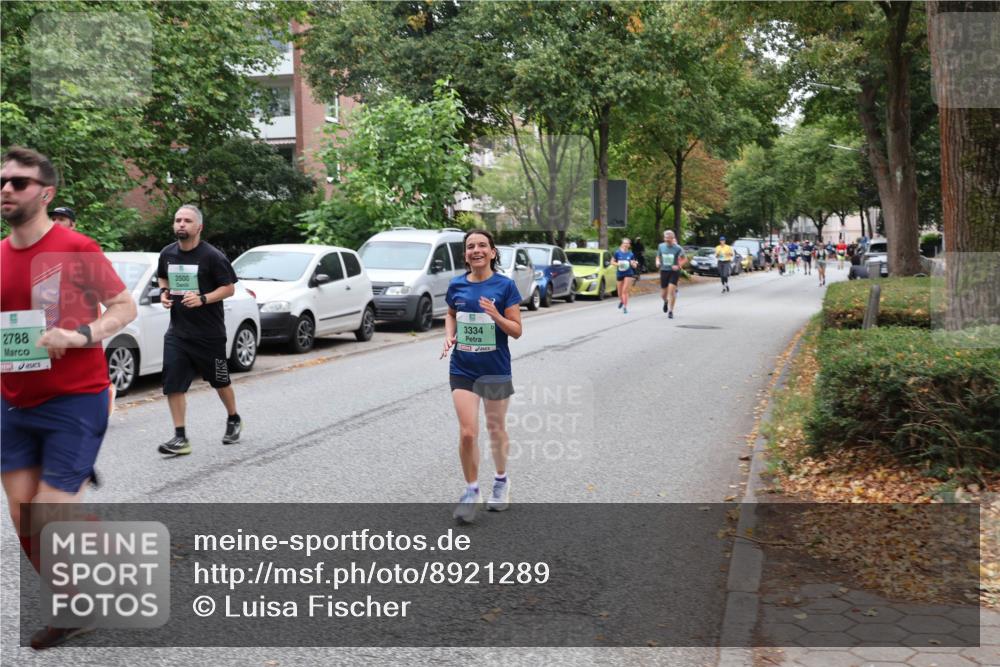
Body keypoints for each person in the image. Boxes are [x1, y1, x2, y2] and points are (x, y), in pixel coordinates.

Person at [1, 147, 137, 649]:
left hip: (75, 399)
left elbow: (124, 308)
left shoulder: (76, 246)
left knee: (48, 513)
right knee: (23, 519)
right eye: (3, 181)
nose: (7, 189)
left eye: (19, 182)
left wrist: (81, 334)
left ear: (46, 193)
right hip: (12, 401)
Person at [442, 229, 523, 523]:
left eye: (482, 246)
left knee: (495, 429)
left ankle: (501, 480)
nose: (476, 250)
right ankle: (471, 490)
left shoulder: (505, 286)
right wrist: (450, 336)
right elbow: (451, 314)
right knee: (467, 432)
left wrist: (496, 316)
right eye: (470, 246)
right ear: (465, 254)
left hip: (495, 369)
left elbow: (516, 330)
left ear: (491, 252)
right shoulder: (456, 286)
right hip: (462, 368)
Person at [156, 205, 242, 457]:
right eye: (178, 220)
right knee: (173, 384)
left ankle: (234, 418)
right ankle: (180, 437)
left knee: (220, 380)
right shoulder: (167, 254)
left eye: (187, 221)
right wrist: (164, 293)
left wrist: (203, 299)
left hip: (210, 334)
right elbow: (163, 278)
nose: (181, 224)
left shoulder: (212, 256)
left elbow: (228, 288)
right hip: (178, 333)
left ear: (199, 227)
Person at [655, 230, 686, 319]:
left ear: (673, 238)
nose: (667, 240)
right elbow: (658, 256)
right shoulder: (661, 246)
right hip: (664, 271)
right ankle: (665, 301)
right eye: (666, 238)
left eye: (669, 238)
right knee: (663, 294)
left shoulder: (678, 248)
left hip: (674, 272)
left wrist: (678, 266)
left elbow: (684, 259)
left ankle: (670, 311)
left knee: (671, 291)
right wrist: (657, 262)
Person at [613, 238, 638, 313]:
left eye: (628, 243)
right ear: (622, 244)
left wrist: (633, 263)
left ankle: (625, 307)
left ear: (629, 245)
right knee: (619, 293)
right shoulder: (617, 253)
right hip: (620, 273)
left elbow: (635, 265)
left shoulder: (631, 254)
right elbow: (612, 262)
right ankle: (622, 301)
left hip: (628, 273)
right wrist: (619, 264)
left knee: (625, 291)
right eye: (625, 243)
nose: (626, 244)